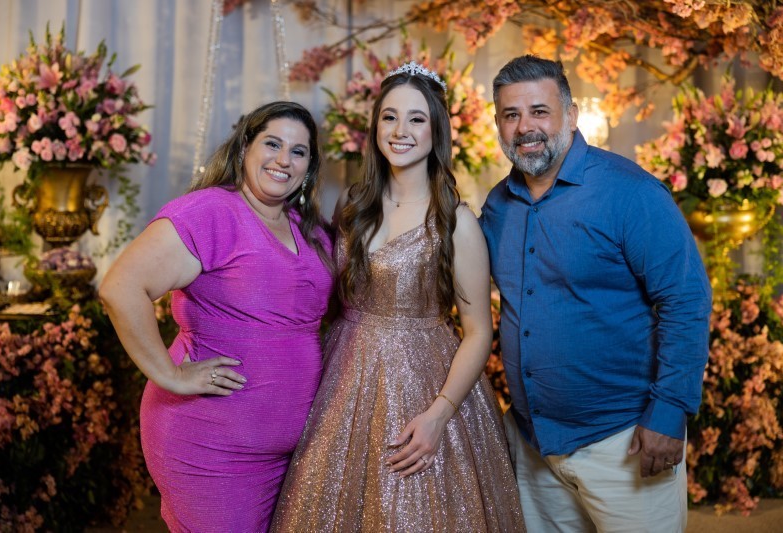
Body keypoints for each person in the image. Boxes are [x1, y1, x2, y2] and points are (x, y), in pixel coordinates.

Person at [270, 62, 525, 531]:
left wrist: (439, 415)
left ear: (436, 130)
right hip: (343, 377)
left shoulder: (456, 222)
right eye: (389, 117)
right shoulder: (353, 204)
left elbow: (478, 333)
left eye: (416, 118)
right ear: (375, 127)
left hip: (424, 383)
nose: (400, 131)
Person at [479, 54, 713, 532]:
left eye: (539, 111)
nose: (525, 127)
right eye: (510, 114)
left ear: (571, 114)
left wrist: (670, 411)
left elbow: (686, 300)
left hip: (623, 441)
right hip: (534, 445)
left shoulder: (630, 193)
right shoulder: (498, 206)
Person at [99, 101, 334, 532]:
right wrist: (171, 375)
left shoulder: (310, 228)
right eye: (273, 144)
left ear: (309, 166)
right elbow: (120, 287)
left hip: (292, 456)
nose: (284, 159)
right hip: (209, 445)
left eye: (298, 151)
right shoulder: (210, 211)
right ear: (244, 147)